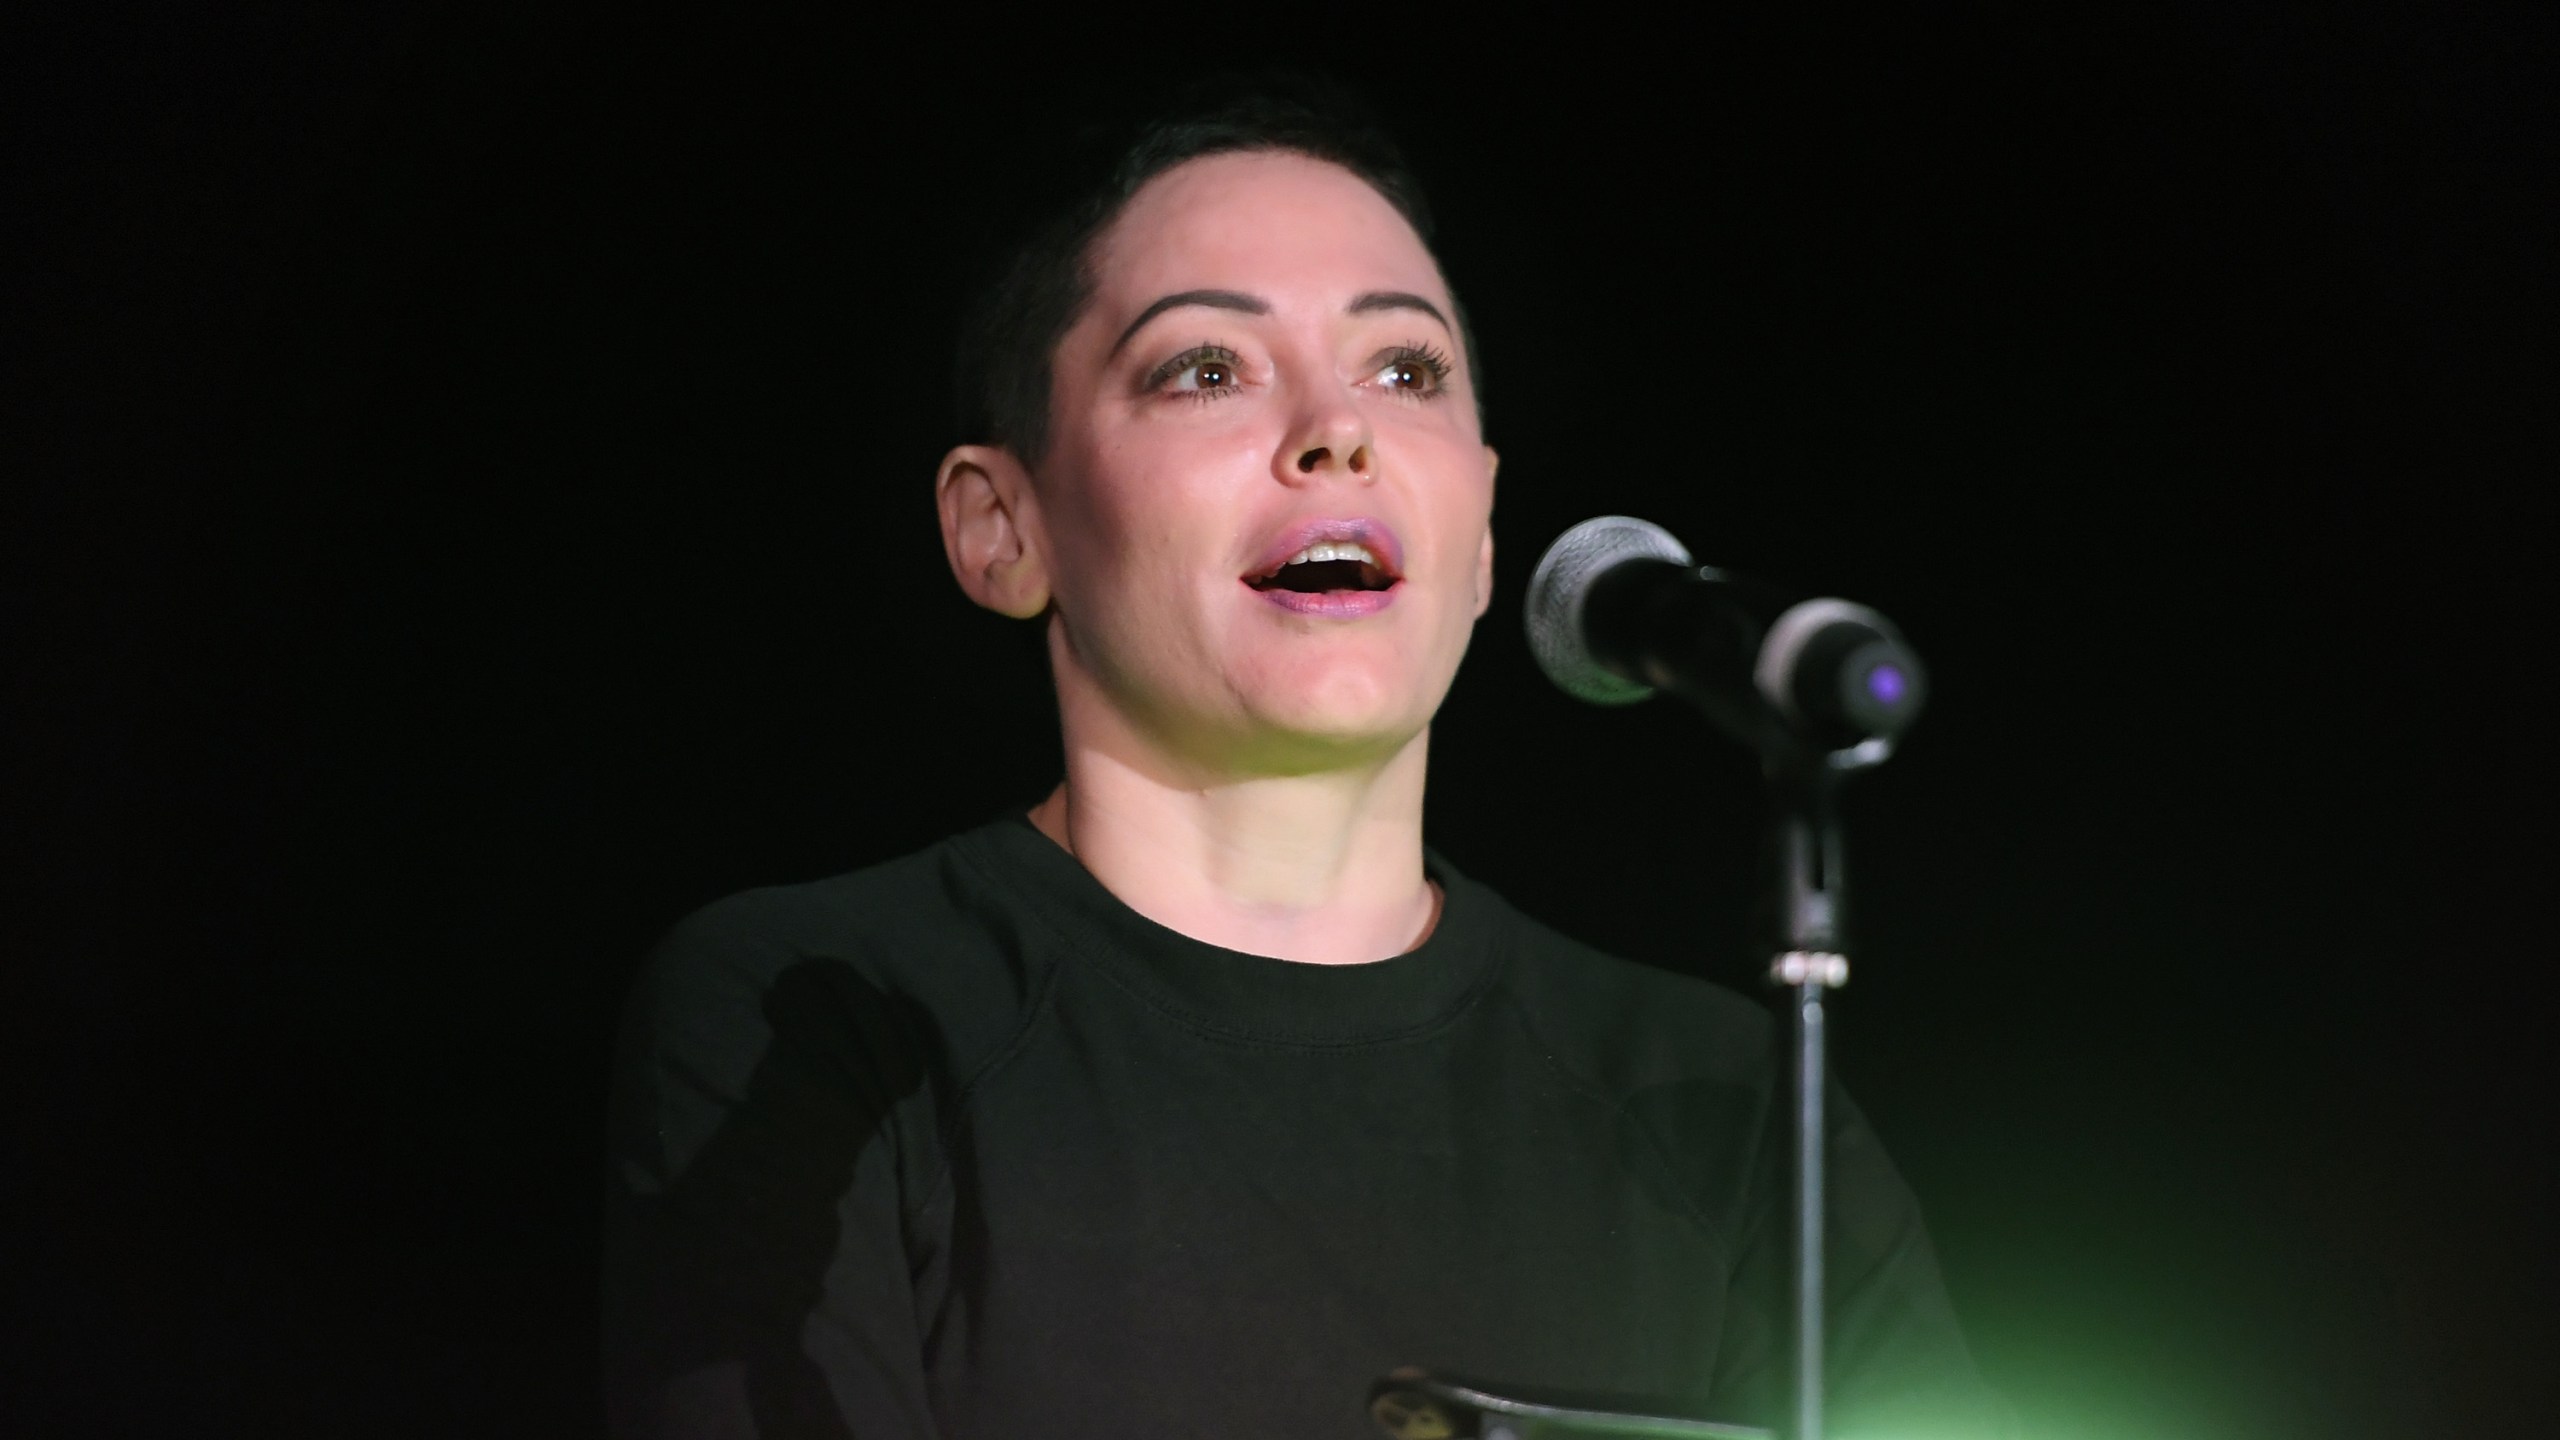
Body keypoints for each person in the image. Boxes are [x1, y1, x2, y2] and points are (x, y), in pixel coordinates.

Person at [602, 84, 2005, 1440]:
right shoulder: (826, 1021)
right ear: (1002, 529)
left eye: (1405, 370)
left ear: (1487, 534)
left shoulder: (1720, 1101)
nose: (1338, 431)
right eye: (1205, 370)